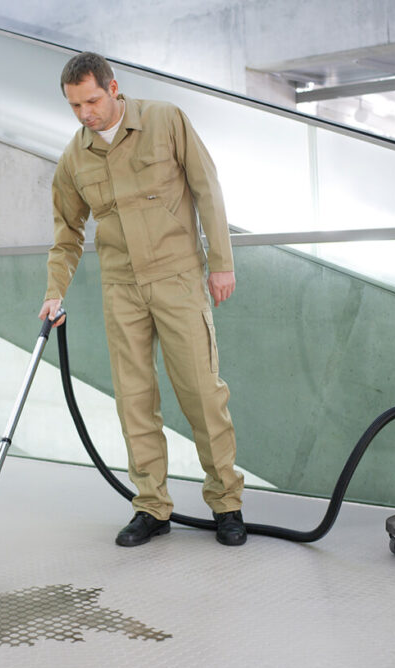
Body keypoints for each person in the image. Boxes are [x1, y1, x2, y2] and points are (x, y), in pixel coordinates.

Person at [38, 52, 245, 547]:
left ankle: (227, 503)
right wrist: (53, 291)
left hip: (177, 278)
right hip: (121, 287)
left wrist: (221, 262)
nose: (85, 113)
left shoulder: (165, 120)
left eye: (91, 100)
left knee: (201, 392)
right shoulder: (73, 158)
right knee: (134, 401)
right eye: (74, 106)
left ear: (113, 88)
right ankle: (152, 507)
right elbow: (67, 234)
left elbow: (206, 188)